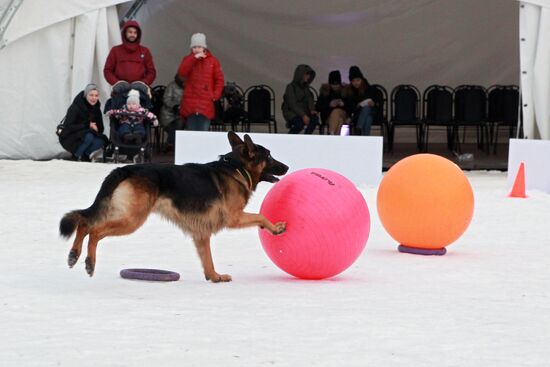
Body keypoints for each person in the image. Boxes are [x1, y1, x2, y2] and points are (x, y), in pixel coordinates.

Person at [177, 33, 224, 131]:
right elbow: (181, 72)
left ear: (204, 47)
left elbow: (219, 80)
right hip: (190, 104)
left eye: (199, 46)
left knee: (203, 132)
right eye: (194, 47)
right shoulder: (187, 59)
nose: (197, 49)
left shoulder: (213, 61)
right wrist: (193, 58)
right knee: (191, 131)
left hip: (206, 104)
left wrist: (215, 95)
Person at [103, 20, 156, 97]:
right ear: (125, 33)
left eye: (135, 33)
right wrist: (118, 83)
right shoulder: (115, 50)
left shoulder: (145, 51)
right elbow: (107, 70)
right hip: (120, 92)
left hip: (139, 92)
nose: (132, 35)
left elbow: (152, 72)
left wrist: (142, 83)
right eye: (130, 32)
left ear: (138, 34)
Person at [59, 84, 109, 161]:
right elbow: (69, 126)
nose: (94, 98)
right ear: (86, 95)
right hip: (70, 136)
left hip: (85, 134)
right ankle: (75, 156)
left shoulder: (96, 108)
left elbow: (100, 128)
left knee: (101, 141)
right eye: (91, 95)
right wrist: (88, 125)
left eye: (96, 95)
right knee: (89, 136)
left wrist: (96, 127)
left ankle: (85, 155)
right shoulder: (75, 107)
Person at [282, 64, 319, 134]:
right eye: (306, 74)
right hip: (292, 112)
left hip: (304, 112)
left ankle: (306, 137)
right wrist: (303, 115)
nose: (308, 76)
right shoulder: (290, 87)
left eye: (309, 74)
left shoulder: (306, 88)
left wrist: (312, 110)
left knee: (314, 119)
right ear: (300, 74)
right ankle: (289, 138)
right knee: (299, 124)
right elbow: (292, 104)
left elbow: (310, 100)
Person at [343, 65, 377, 136]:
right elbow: (349, 108)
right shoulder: (349, 91)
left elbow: (378, 104)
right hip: (356, 115)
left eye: (358, 80)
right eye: (353, 81)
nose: (356, 83)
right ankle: (365, 139)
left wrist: (373, 104)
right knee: (368, 118)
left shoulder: (369, 89)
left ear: (361, 79)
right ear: (351, 81)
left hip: (373, 113)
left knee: (367, 109)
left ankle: (359, 129)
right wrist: (358, 105)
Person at [316, 70, 347, 135]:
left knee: (336, 112)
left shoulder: (345, 91)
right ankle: (335, 139)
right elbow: (318, 107)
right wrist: (329, 105)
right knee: (339, 120)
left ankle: (331, 134)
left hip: (342, 113)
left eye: (337, 84)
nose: (335, 86)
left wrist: (343, 104)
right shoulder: (325, 92)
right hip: (328, 116)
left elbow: (350, 106)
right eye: (333, 84)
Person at [159, 75, 184, 148]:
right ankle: (171, 143)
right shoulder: (172, 86)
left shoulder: (191, 86)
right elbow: (166, 99)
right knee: (179, 122)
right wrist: (174, 106)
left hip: (184, 114)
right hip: (169, 116)